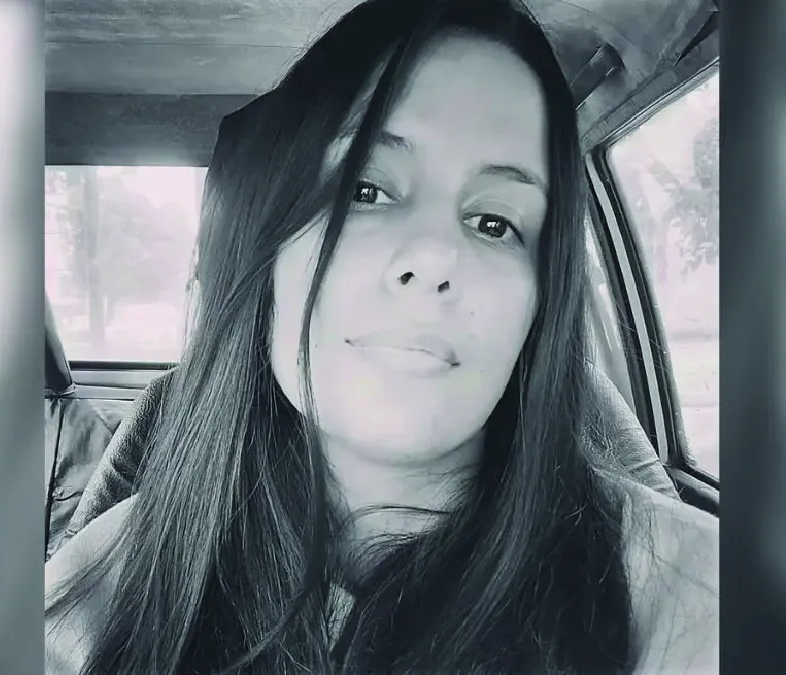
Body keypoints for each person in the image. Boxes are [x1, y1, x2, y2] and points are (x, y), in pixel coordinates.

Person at [45, 0, 717, 672]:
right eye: (364, 189)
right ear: (270, 248)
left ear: (542, 303)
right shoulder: (91, 602)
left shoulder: (699, 602)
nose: (433, 256)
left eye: (495, 224)